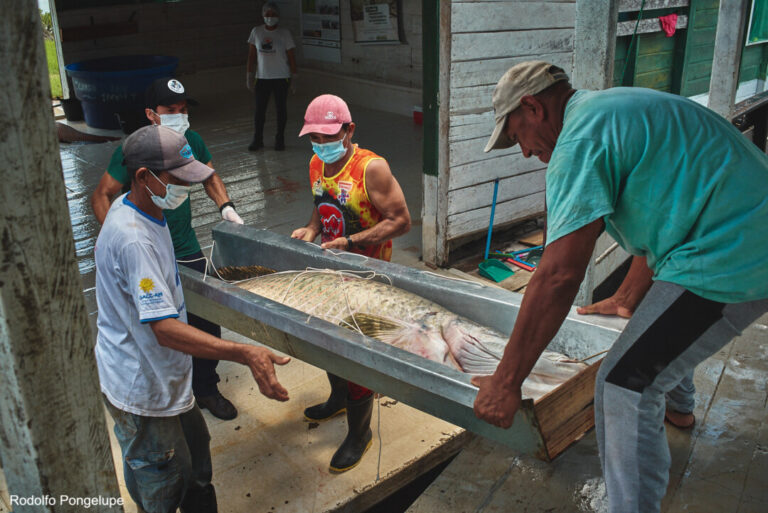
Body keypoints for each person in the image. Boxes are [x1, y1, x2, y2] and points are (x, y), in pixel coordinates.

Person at [472, 61, 768, 513]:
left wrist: (506, 382)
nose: (526, 153)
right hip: (735, 225)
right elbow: (665, 212)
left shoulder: (579, 141)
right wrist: (628, 297)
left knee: (623, 384)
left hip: (735, 248)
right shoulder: (606, 110)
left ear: (532, 107)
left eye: (516, 138)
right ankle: (680, 408)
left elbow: (558, 275)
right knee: (651, 327)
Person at [94, 124, 290, 513]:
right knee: (161, 484)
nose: (184, 189)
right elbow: (164, 330)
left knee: (196, 467)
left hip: (166, 379)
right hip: (143, 389)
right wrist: (245, 352)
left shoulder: (141, 208)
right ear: (144, 177)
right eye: (178, 180)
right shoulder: (134, 239)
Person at [91, 77, 245, 421]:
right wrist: (113, 236)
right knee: (160, 322)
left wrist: (226, 207)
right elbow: (102, 193)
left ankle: (206, 387)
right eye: (170, 110)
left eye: (183, 109)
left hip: (183, 244)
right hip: (147, 249)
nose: (179, 115)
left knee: (205, 318)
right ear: (151, 113)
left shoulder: (191, 141)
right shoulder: (136, 149)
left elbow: (209, 175)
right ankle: (165, 389)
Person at [291, 94, 411, 472]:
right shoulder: (315, 163)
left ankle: (360, 433)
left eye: (330, 136)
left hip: (369, 277)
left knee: (358, 354)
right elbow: (320, 200)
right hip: (331, 272)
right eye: (316, 138)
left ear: (349, 130)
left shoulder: (371, 168)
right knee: (330, 342)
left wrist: (353, 242)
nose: (323, 145)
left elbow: (401, 220)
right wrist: (311, 227)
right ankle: (338, 397)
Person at [246, 1, 297, 151]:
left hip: (281, 77)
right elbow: (251, 56)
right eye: (267, 14)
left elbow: (291, 57)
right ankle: (258, 139)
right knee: (259, 111)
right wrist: (249, 74)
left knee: (281, 109)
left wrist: (295, 77)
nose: (270, 17)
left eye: (273, 14)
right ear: (263, 15)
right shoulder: (256, 32)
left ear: (278, 16)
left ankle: (280, 139)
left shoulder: (284, 33)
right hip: (262, 78)